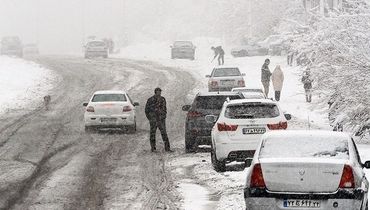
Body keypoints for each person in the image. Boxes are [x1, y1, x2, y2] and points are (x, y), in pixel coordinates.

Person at [145, 87, 172, 152]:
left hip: (161, 119)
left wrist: (163, 116)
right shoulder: (150, 100)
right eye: (158, 91)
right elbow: (146, 110)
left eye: (160, 91)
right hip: (153, 119)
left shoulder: (162, 99)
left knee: (164, 134)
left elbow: (164, 109)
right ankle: (153, 148)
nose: (159, 93)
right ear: (155, 92)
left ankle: (167, 148)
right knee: (152, 134)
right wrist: (150, 118)